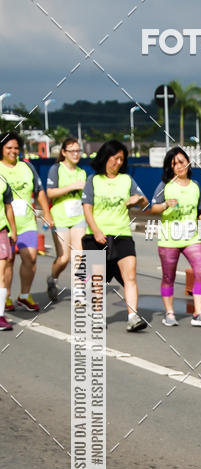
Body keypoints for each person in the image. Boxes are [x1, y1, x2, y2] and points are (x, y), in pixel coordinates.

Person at [81, 140, 148, 332]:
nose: (118, 162)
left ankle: (133, 316)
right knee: (97, 279)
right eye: (115, 158)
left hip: (122, 234)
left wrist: (139, 200)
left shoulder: (127, 180)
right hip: (97, 234)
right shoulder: (93, 180)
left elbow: (145, 205)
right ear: (105, 157)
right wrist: (95, 230)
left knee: (130, 276)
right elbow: (87, 208)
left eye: (122, 159)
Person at [148, 146, 201, 327]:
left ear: (188, 163)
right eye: (174, 163)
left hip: (191, 238)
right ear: (170, 167)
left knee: (200, 272)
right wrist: (165, 205)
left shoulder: (195, 186)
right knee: (168, 277)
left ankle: (198, 313)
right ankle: (169, 313)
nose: (179, 166)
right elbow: (153, 209)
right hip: (169, 239)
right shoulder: (165, 186)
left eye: (181, 162)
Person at [0, 131, 54, 312]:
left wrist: (46, 212)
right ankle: (5, 296)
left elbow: (39, 190)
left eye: (16, 148)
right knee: (8, 261)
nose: (13, 151)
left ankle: (24, 296)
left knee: (30, 258)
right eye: (9, 148)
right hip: (5, 223)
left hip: (26, 223)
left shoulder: (27, 167)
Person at [45, 138, 87, 302]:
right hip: (60, 218)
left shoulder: (82, 172)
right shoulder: (56, 169)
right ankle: (53, 278)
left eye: (78, 150)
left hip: (78, 218)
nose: (76, 154)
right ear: (64, 152)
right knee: (64, 258)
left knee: (80, 255)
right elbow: (50, 193)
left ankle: (79, 291)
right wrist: (73, 186)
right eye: (72, 151)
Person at [0, 172, 17, 330]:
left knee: (2, 273)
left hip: (1, 231)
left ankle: (0, 315)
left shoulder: (2, 180)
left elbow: (8, 206)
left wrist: (13, 230)